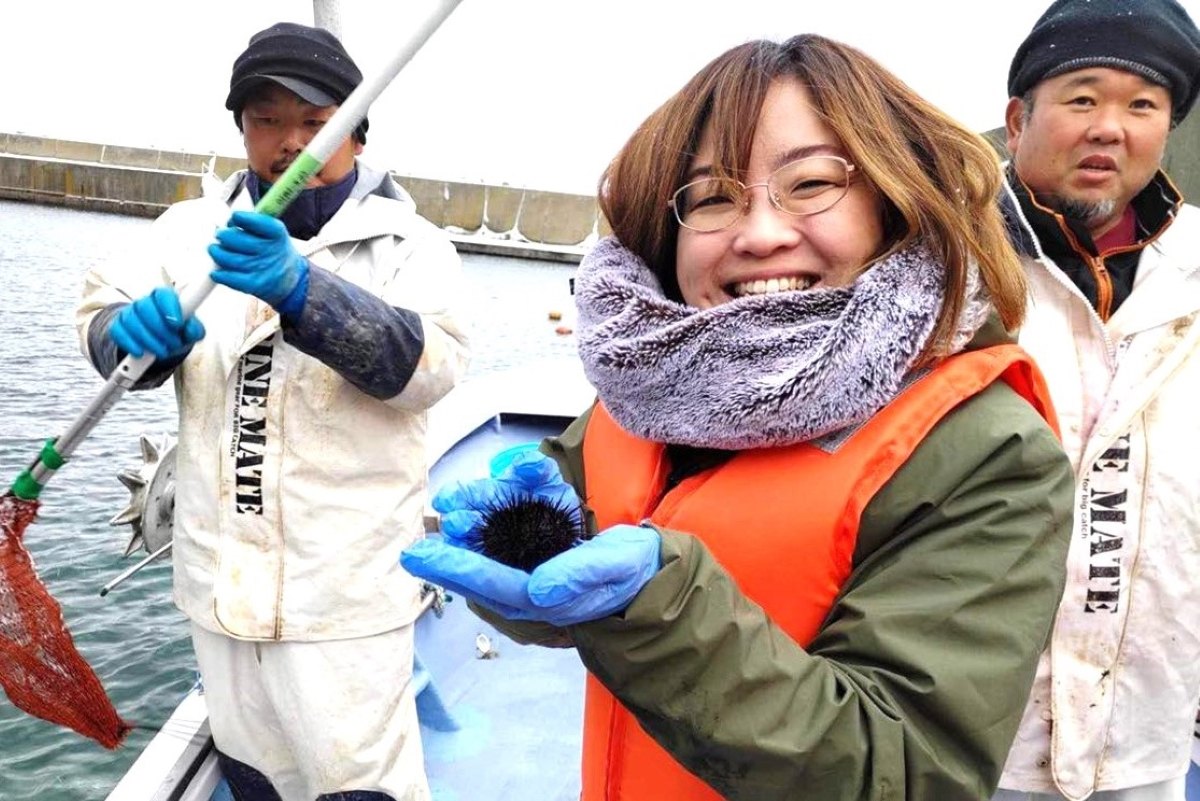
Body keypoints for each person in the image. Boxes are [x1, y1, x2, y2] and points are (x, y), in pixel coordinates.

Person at [401, 34, 1074, 801]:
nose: (759, 234)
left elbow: (909, 773)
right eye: (714, 196)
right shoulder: (653, 382)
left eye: (812, 183)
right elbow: (566, 587)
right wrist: (520, 551)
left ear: (897, 200)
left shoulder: (990, 453)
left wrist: (653, 608)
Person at [75, 21, 469, 801]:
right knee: (254, 771)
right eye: (267, 120)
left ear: (356, 131)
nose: (291, 143)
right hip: (220, 588)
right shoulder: (189, 232)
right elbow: (104, 316)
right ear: (242, 129)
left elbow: (428, 368)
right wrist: (123, 335)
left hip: (346, 599)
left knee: (360, 786)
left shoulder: (411, 246)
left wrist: (304, 292)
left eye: (316, 123)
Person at [992, 2, 1200, 800]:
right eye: (1082, 98)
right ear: (1019, 119)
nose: (1110, 127)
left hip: (1146, 739)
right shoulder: (947, 268)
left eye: (1142, 105)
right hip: (970, 737)